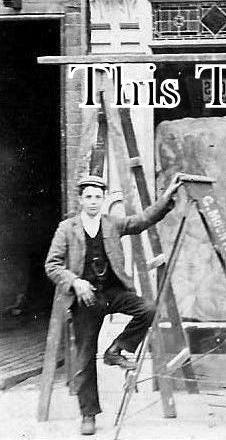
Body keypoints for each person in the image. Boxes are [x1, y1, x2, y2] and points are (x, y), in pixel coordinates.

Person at [44, 174, 182, 436]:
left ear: (104, 199)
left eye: (98, 196)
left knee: (149, 310)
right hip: (86, 298)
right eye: (88, 197)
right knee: (84, 357)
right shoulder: (67, 228)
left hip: (113, 291)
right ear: (80, 199)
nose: (93, 201)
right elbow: (52, 265)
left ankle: (117, 349)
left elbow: (143, 220)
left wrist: (166, 199)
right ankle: (88, 414)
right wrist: (75, 282)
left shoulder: (112, 224)